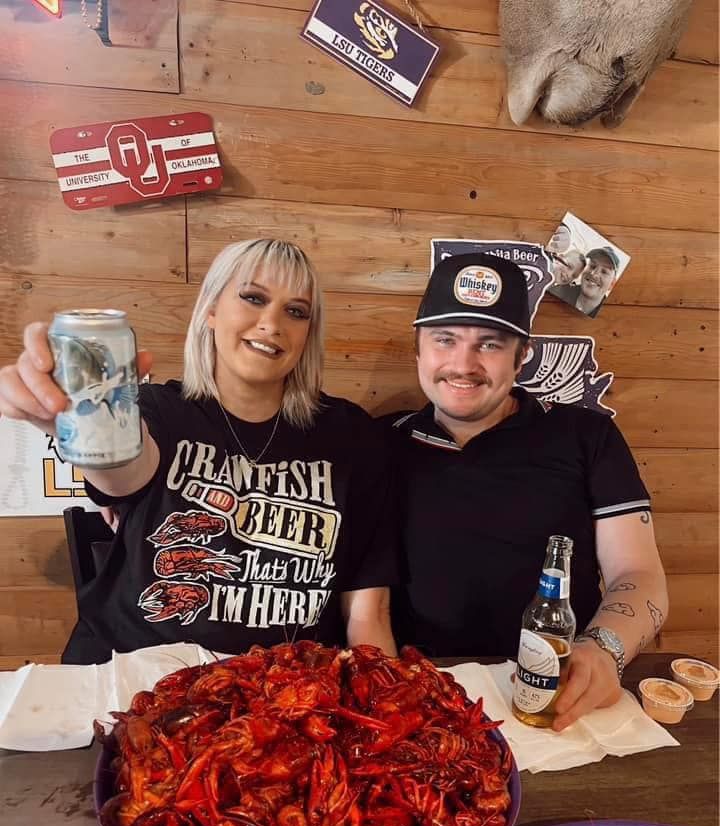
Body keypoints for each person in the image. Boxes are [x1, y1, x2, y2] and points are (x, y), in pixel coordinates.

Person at [0, 239, 398, 663]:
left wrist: (388, 696)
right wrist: (80, 422)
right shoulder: (158, 411)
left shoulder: (352, 435)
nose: (272, 323)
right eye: (252, 298)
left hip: (285, 692)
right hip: (135, 668)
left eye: (295, 311)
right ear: (211, 310)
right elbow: (123, 471)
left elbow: (367, 607)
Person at [385, 253, 668, 731]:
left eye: (489, 344)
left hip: (558, 694)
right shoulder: (379, 444)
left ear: (523, 356)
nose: (463, 364)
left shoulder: (586, 436)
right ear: (418, 351)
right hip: (422, 701)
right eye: (444, 340)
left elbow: (639, 573)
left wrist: (604, 652)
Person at [553, 246, 619, 317]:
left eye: (604, 272)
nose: (594, 274)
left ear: (612, 284)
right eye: (592, 266)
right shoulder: (556, 291)